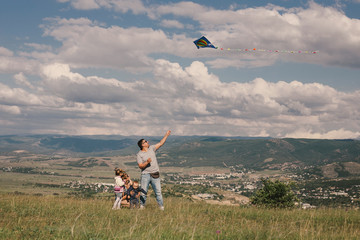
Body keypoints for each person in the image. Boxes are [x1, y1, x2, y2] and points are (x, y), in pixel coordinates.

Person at [137, 130, 171, 210]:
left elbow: (160, 143)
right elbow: (140, 166)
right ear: (142, 145)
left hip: (155, 174)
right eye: (145, 141)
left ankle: (161, 207)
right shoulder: (139, 154)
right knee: (143, 192)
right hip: (145, 175)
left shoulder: (152, 148)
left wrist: (166, 135)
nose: (147, 142)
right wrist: (147, 162)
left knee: (158, 192)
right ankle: (142, 206)